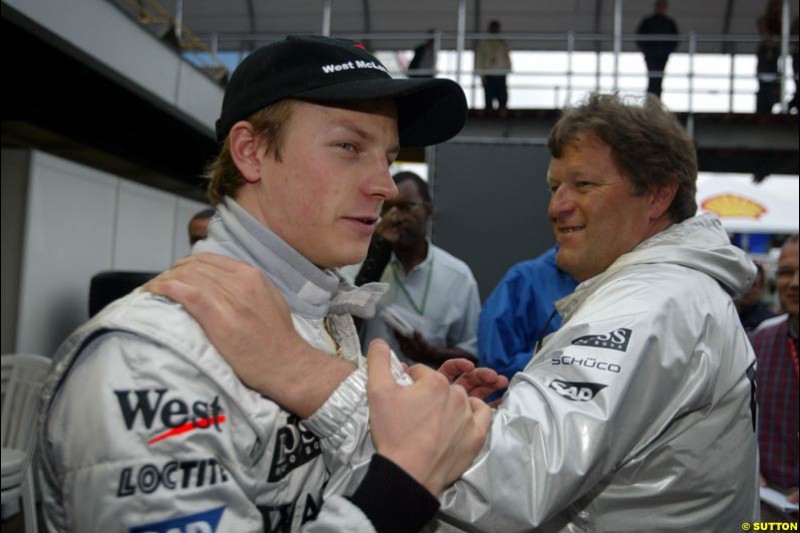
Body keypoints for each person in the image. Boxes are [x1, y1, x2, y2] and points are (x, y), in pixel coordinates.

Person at [148, 93, 760, 530]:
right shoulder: (669, 296)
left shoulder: (652, 304)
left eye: (584, 185)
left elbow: (516, 481)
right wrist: (454, 411)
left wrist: (300, 369)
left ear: (657, 196)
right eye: (553, 186)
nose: (557, 206)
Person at [38, 34, 499, 533]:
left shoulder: (322, 311)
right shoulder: (147, 362)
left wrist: (412, 420)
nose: (385, 185)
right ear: (251, 152)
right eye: (349, 146)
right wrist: (400, 487)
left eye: (386, 157)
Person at [359, 171, 481, 366]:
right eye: (388, 208)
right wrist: (377, 250)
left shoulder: (458, 277)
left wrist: (431, 354)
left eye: (407, 207)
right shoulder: (364, 267)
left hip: (428, 390)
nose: (396, 217)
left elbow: (471, 353)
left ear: (429, 211)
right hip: (368, 388)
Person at [749, 235, 799, 518]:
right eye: (786, 272)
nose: (794, 284)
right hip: (768, 509)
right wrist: (746, 467)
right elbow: (736, 420)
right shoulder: (760, 341)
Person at [478, 245, 577, 382]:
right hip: (532, 396)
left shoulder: (613, 285)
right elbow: (496, 365)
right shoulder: (524, 279)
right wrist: (565, 358)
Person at [636, 0, 679, 99]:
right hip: (651, 54)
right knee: (653, 77)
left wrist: (666, 51)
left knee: (658, 78)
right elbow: (640, 37)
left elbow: (675, 40)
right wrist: (647, 50)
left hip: (662, 55)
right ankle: (651, 101)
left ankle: (656, 101)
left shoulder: (669, 23)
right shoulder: (648, 22)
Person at [475, 20, 511, 113]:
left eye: (496, 28)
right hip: (488, 74)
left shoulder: (502, 43)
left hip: (500, 74)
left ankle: (503, 116)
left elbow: (506, 58)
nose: (494, 30)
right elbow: (479, 59)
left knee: (502, 97)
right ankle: (489, 117)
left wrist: (507, 71)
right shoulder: (483, 44)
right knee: (489, 97)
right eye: (493, 28)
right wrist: (481, 75)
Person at [736, 261, 775, 330]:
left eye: (753, 285)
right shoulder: (725, 313)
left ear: (761, 288)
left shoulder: (767, 322)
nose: (746, 288)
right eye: (742, 282)